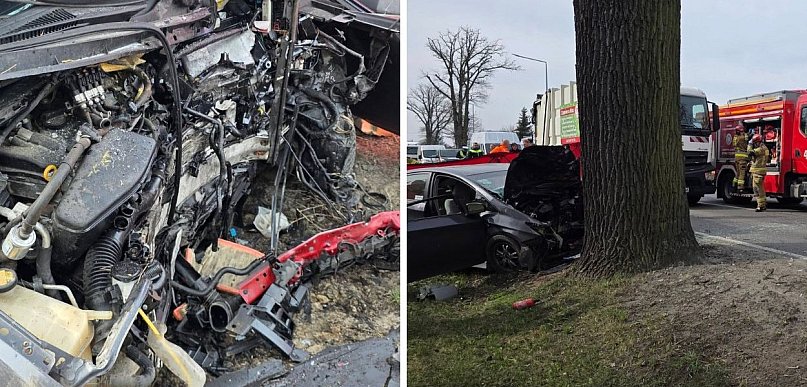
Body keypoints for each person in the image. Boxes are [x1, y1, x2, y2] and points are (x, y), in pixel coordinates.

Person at [747, 134, 769, 212]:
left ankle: (761, 206)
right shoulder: (764, 148)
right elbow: (759, 159)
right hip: (760, 171)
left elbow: (749, 152)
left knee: (757, 189)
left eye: (754, 143)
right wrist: (752, 163)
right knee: (759, 189)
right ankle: (761, 205)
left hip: (758, 172)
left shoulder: (760, 149)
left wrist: (749, 144)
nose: (754, 144)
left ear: (757, 142)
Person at [732, 125, 749, 191]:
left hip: (737, 158)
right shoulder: (743, 137)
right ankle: (740, 187)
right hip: (742, 158)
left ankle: (734, 185)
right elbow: (747, 141)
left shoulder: (735, 137)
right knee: (742, 173)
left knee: (738, 172)